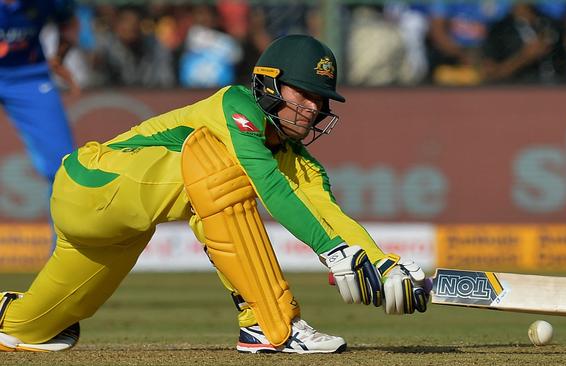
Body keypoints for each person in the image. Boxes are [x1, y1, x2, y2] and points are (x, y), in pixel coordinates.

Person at [0, 34, 428, 354]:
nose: (314, 109)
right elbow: (270, 188)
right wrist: (333, 252)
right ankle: (269, 323)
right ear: (268, 84)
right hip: (94, 182)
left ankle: (14, 316)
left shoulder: (298, 158)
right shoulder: (236, 106)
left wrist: (381, 263)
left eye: (321, 100)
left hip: (119, 226)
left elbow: (329, 215)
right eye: (305, 94)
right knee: (221, 169)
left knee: (32, 330)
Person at [0, 0, 77, 194]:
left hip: (29, 77)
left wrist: (59, 57)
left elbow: (68, 22)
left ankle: (65, 223)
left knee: (63, 165)